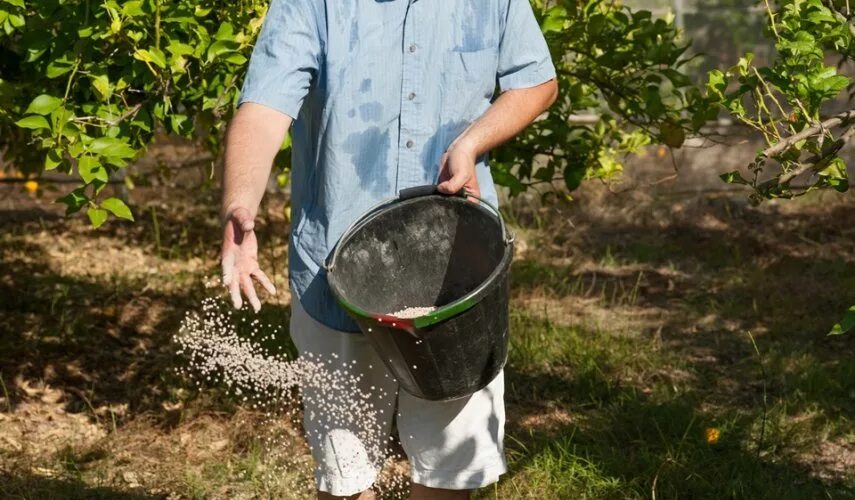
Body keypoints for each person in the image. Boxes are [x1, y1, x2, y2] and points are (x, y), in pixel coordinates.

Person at [220, 0, 557, 498]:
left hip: (453, 272)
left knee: (449, 470)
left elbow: (536, 82)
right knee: (345, 474)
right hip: (337, 269)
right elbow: (265, 107)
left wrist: (470, 142)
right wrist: (239, 205)